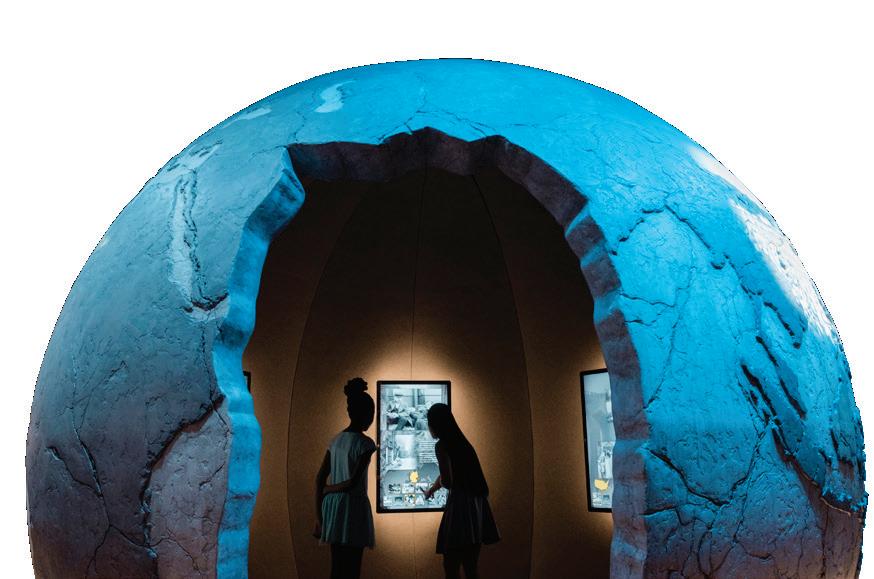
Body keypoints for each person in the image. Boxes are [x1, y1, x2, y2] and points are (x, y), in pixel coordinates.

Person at [423, 403, 500, 579]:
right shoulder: (463, 443)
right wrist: (432, 489)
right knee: (471, 567)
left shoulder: (441, 446)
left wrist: (437, 486)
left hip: (459, 508)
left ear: (435, 424)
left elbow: (448, 481)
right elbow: (453, 474)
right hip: (476, 506)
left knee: (451, 566)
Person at [313, 377, 377, 579]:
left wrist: (319, 517)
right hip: (353, 507)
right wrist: (328, 489)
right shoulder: (366, 444)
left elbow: (319, 478)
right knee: (352, 566)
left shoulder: (336, 440)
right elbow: (352, 483)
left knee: (337, 566)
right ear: (366, 414)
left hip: (333, 507)